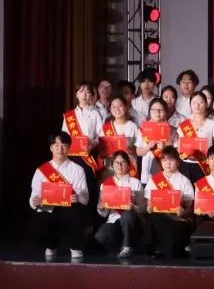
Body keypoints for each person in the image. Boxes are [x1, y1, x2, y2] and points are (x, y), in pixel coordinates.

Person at [29, 132, 90, 261]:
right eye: (56, 145)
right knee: (39, 223)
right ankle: (51, 245)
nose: (60, 149)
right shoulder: (41, 170)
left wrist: (77, 197)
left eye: (64, 145)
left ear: (69, 148)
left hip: (70, 208)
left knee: (76, 214)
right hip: (49, 208)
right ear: (51, 148)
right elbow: (34, 194)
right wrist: (35, 201)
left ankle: (75, 247)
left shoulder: (77, 169)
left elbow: (84, 194)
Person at [144, 147, 195, 257]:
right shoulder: (154, 180)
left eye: (171, 160)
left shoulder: (184, 181)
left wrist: (183, 211)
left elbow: (190, 208)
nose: (168, 163)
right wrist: (149, 208)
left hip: (177, 219)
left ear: (177, 162)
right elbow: (149, 203)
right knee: (153, 217)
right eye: (164, 160)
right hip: (159, 217)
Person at [96, 151, 144, 258]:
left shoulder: (135, 183)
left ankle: (127, 246)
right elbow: (103, 213)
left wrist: (133, 207)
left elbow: (142, 208)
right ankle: (119, 247)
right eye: (116, 162)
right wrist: (101, 208)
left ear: (128, 165)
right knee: (101, 235)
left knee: (127, 215)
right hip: (113, 219)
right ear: (112, 165)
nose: (119, 165)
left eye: (123, 162)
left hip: (131, 221)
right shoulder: (106, 184)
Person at [176, 93, 214, 183]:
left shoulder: (212, 124)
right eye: (194, 102)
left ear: (206, 104)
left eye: (201, 102)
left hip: (205, 165)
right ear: (190, 105)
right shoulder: (184, 125)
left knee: (203, 191)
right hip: (186, 165)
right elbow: (179, 148)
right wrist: (185, 155)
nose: (197, 105)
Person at [136, 98, 178, 184]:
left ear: (166, 111)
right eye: (154, 110)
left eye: (161, 110)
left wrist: (165, 147)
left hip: (168, 172)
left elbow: (177, 153)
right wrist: (148, 147)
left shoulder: (172, 130)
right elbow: (138, 152)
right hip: (147, 173)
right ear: (149, 112)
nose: (157, 112)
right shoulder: (142, 129)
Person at [98, 95, 140, 165]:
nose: (116, 109)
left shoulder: (133, 127)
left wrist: (130, 149)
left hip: (128, 164)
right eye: (113, 107)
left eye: (120, 106)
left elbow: (138, 147)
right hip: (111, 165)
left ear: (126, 107)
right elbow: (101, 148)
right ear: (110, 109)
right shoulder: (106, 127)